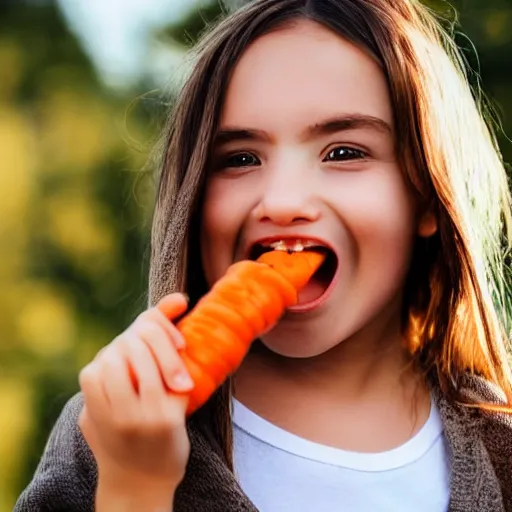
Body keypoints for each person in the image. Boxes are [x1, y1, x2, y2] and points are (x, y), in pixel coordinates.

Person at [15, 0, 512, 511]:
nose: (282, 201)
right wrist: (135, 484)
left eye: (344, 152)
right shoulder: (114, 429)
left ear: (426, 195)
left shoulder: (501, 451)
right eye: (240, 159)